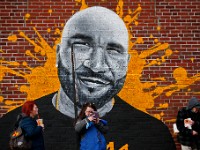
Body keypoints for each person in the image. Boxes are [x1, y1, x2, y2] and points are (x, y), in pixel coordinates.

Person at [0, 6, 176, 150]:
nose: (97, 65)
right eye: (82, 45)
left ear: (126, 63)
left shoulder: (153, 135)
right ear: (59, 55)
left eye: (113, 50)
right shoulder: (7, 127)